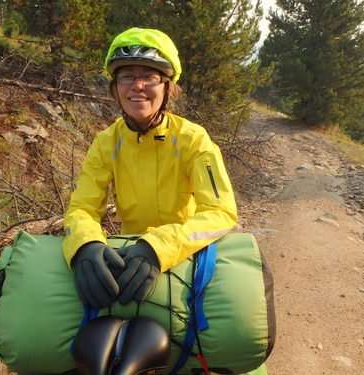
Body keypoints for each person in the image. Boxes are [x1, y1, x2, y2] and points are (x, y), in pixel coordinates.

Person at [63, 27, 238, 309]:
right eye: (127, 76)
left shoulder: (192, 139)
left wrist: (158, 248)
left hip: (182, 255)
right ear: (115, 86)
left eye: (149, 76)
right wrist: (85, 245)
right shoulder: (106, 142)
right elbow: (82, 207)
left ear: (167, 87)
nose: (137, 85)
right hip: (127, 259)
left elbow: (221, 212)